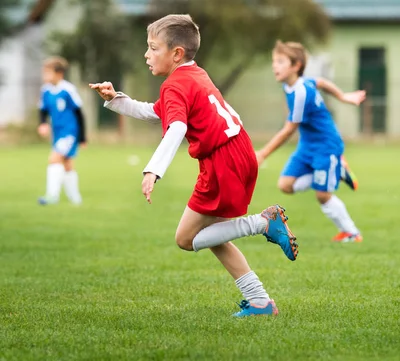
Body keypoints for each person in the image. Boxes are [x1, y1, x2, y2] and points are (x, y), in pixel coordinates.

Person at [90, 14, 297, 317]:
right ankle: (260, 302)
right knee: (213, 234)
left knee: (186, 239)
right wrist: (116, 100)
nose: (147, 55)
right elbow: (157, 113)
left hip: (222, 161)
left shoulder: (175, 85)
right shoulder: (195, 75)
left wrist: (153, 169)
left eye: (152, 48)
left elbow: (176, 128)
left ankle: (264, 223)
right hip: (238, 152)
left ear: (176, 53)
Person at [255, 41, 364, 243]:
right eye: (273, 61)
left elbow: (289, 129)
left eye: (280, 61)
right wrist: (343, 96)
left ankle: (352, 233)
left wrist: (262, 153)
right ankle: (337, 171)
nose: (274, 66)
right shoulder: (297, 85)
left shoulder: (300, 93)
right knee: (285, 185)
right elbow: (321, 81)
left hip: (326, 146)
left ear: (296, 66)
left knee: (322, 195)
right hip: (307, 146)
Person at [37, 56, 86, 206]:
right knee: (67, 164)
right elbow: (42, 110)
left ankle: (52, 196)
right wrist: (43, 124)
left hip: (69, 132)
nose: (45, 76)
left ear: (59, 73)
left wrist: (82, 137)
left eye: (48, 73)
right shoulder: (45, 91)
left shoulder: (68, 90)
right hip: (57, 133)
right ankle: (75, 199)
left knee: (54, 159)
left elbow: (79, 113)